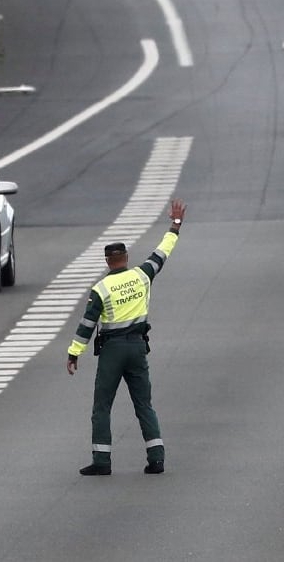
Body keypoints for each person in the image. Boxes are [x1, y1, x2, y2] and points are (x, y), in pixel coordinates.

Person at [67, 198, 187, 476]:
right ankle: (156, 458)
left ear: (108, 261)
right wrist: (176, 224)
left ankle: (102, 461)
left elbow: (87, 324)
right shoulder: (142, 276)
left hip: (112, 351)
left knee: (102, 406)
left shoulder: (101, 288)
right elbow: (162, 252)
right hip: (137, 348)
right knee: (143, 403)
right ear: (127, 257)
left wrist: (74, 353)